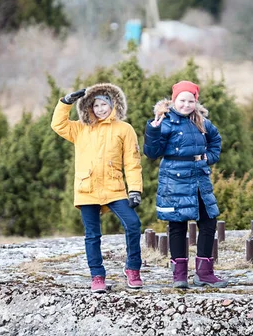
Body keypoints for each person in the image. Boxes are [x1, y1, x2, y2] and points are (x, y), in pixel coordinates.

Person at [51, 83, 144, 293]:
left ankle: (133, 269)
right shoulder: (79, 129)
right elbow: (58, 125)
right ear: (89, 108)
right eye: (96, 105)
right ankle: (97, 276)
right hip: (87, 190)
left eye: (104, 104)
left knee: (133, 224)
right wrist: (65, 102)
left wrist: (135, 190)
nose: (100, 109)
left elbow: (132, 162)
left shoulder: (124, 129)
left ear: (114, 105)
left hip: (114, 189)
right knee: (92, 235)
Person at [143, 80, 227, 288]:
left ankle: (204, 274)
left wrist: (208, 158)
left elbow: (216, 141)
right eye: (182, 100)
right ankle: (179, 276)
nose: (186, 104)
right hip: (174, 181)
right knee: (177, 225)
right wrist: (152, 132)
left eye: (190, 100)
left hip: (199, 178)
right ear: (174, 100)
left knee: (208, 222)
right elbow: (152, 153)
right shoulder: (165, 122)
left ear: (196, 102)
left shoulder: (202, 122)